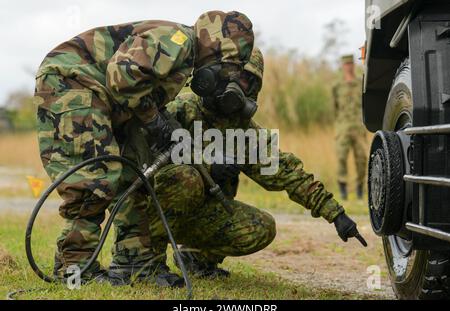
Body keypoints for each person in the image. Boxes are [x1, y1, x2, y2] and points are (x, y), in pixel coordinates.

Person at [34, 10, 255, 286]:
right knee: (94, 180)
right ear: (215, 46)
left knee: (134, 177)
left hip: (107, 98)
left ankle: (136, 264)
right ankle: (74, 270)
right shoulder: (179, 42)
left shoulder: (185, 58)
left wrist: (166, 124)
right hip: (74, 84)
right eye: (225, 67)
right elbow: (122, 77)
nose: (222, 77)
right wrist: (154, 121)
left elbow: (139, 90)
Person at [113, 48, 364, 283]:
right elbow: (134, 160)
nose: (236, 86)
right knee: (186, 177)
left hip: (198, 216)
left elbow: (287, 173)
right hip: (154, 211)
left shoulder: (246, 133)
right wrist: (209, 167)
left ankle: (196, 258)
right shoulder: (182, 109)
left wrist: (336, 214)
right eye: (233, 77)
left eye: (245, 82)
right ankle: (146, 262)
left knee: (261, 228)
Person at [332, 55, 367, 200]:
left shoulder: (360, 83)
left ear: (354, 65)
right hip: (343, 127)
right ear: (342, 66)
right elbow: (334, 108)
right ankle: (343, 190)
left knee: (361, 159)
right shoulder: (337, 86)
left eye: (351, 64)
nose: (349, 66)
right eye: (346, 64)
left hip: (358, 127)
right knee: (341, 157)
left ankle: (359, 188)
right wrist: (338, 126)